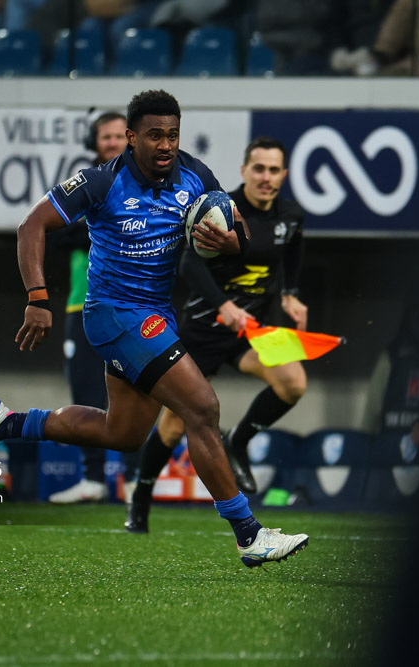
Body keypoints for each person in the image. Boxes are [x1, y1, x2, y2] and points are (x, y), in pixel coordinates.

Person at [0, 89, 309, 567]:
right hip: (114, 315)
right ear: (132, 137)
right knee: (202, 408)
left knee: (122, 433)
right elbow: (30, 226)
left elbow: (239, 234)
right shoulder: (101, 181)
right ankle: (249, 534)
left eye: (173, 135)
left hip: (154, 314)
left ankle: (6, 422)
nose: (165, 145)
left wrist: (225, 241)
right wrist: (37, 298)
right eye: (155, 135)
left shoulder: (196, 173)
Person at [124, 136, 308, 533]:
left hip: (252, 330)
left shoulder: (291, 215)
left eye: (274, 170)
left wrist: (291, 295)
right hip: (206, 327)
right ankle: (140, 495)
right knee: (173, 425)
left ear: (284, 175)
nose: (266, 177)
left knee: (293, 382)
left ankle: (237, 443)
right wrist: (223, 305)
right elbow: (189, 263)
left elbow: (293, 248)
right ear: (244, 171)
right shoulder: (222, 208)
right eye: (259, 168)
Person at [47, 111, 127, 504]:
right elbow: (55, 232)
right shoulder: (83, 182)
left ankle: (134, 480)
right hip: (82, 302)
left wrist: (90, 227)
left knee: (137, 391)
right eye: (105, 136)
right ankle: (93, 478)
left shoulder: (144, 185)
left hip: (133, 304)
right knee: (85, 391)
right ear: (95, 142)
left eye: (117, 136)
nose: (112, 142)